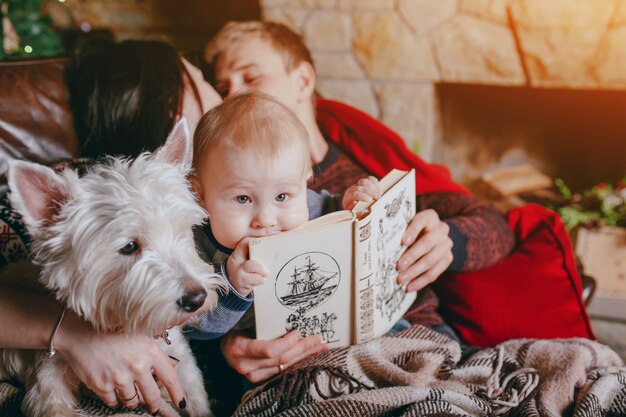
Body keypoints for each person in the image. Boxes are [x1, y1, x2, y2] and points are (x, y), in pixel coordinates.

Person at [203, 20, 516, 385]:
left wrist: (448, 241)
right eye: (224, 88)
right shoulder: (222, 187)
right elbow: (182, 314)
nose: (233, 96)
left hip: (415, 338)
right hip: (308, 367)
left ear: (303, 81)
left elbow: (497, 226)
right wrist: (227, 346)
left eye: (251, 78)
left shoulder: (362, 165)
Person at [0, 38, 225, 415]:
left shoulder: (182, 186)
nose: (225, 88)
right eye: (201, 77)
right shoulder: (72, 201)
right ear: (166, 103)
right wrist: (71, 334)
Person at [186, 91, 381, 339]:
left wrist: (351, 202)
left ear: (305, 181)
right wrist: (233, 288)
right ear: (199, 194)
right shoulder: (194, 251)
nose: (266, 220)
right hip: (277, 355)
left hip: (342, 327)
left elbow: (331, 211)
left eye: (281, 197)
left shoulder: (308, 206)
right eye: (243, 199)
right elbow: (197, 327)